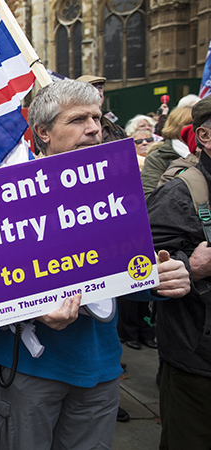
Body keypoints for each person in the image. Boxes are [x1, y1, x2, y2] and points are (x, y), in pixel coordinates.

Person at [0, 79, 191, 450]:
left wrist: (162, 277)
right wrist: (30, 311)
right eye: (78, 119)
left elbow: (132, 273)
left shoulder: (118, 186)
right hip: (31, 371)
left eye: (95, 117)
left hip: (100, 370)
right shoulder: (2, 197)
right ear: (43, 132)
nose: (94, 127)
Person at [147, 95, 211, 450]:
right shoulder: (180, 194)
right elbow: (139, 265)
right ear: (204, 137)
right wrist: (192, 268)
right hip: (197, 363)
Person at [141, 106, 194, 197]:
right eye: (189, 123)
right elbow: (149, 197)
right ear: (175, 127)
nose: (194, 128)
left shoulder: (206, 151)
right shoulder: (158, 157)